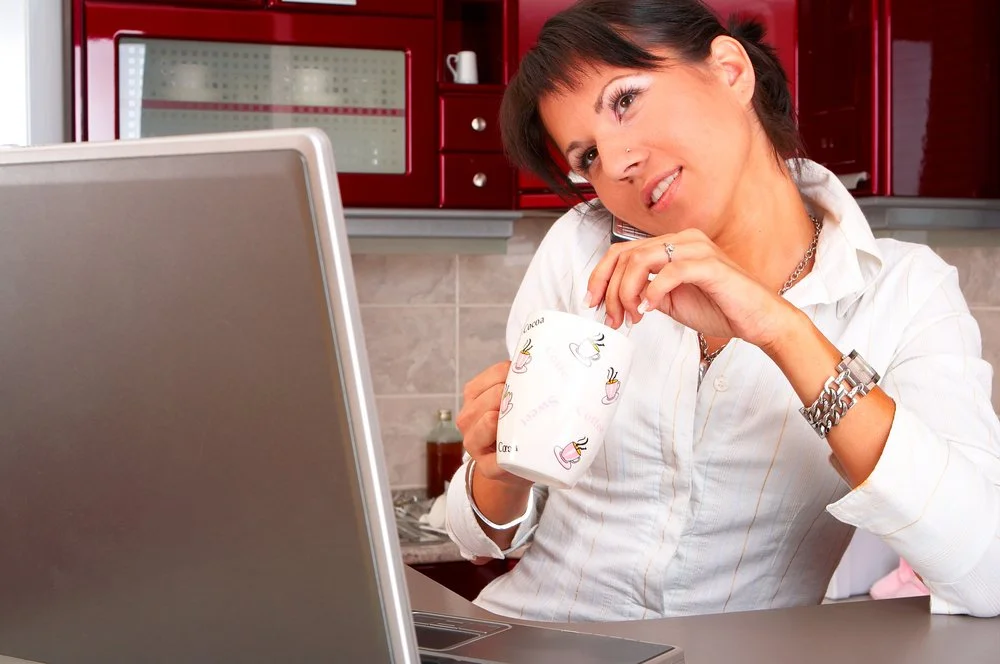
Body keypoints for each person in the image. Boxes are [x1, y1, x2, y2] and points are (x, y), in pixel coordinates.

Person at [444, 0, 1000, 621]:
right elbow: (479, 535)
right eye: (588, 158)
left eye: (625, 100)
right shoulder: (582, 250)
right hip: (530, 637)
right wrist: (499, 470)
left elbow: (986, 570)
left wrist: (784, 331)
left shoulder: (904, 289)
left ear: (731, 71)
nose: (619, 163)